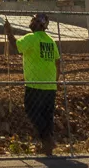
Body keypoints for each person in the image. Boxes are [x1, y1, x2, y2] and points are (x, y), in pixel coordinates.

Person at [4, 12, 61, 154]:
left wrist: (9, 31)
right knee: (47, 115)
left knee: (32, 111)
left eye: (34, 20)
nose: (31, 22)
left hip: (35, 84)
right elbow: (57, 62)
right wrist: (56, 80)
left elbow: (15, 46)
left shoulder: (31, 38)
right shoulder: (50, 41)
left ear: (38, 24)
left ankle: (48, 139)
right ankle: (48, 144)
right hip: (50, 85)